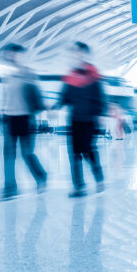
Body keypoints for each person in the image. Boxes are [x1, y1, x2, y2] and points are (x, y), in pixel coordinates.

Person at [56, 42, 106, 197]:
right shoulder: (70, 76)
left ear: (86, 54)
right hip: (75, 119)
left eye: (80, 53)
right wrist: (55, 106)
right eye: (75, 52)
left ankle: (99, 177)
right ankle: (79, 186)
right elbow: (64, 97)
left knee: (87, 150)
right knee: (75, 153)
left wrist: (101, 114)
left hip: (90, 119)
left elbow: (100, 97)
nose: (77, 55)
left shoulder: (93, 75)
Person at [0, 43, 48, 200]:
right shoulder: (7, 76)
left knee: (27, 153)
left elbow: (37, 97)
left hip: (26, 119)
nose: (11, 57)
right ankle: (10, 188)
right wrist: (2, 111)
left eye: (13, 53)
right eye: (8, 54)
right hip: (10, 118)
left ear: (20, 55)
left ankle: (41, 176)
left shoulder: (29, 74)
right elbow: (5, 97)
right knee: (8, 155)